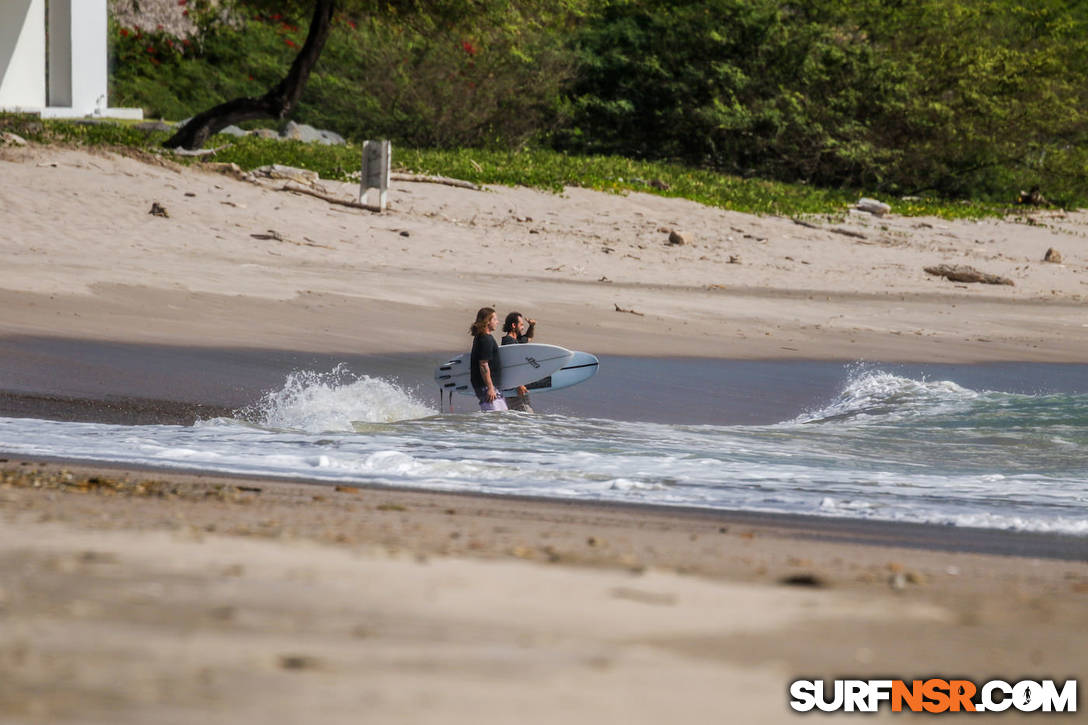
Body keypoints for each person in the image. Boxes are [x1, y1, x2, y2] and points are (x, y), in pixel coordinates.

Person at [469, 307, 507, 412]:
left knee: (499, 417)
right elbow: (483, 364)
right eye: (495, 319)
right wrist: (490, 388)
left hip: (487, 386)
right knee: (495, 417)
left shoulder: (481, 337)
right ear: (487, 321)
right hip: (487, 387)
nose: (497, 322)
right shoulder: (485, 339)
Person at [501, 312, 536, 413]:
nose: (522, 328)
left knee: (522, 417)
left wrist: (531, 326)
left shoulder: (516, 340)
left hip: (517, 387)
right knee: (527, 415)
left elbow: (528, 338)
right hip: (515, 389)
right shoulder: (508, 342)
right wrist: (518, 385)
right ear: (513, 325)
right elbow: (509, 365)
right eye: (521, 325)